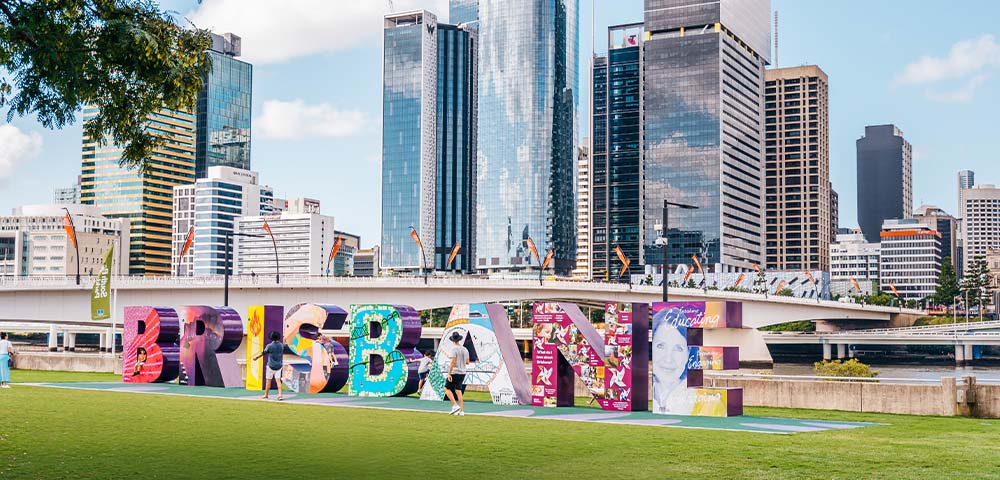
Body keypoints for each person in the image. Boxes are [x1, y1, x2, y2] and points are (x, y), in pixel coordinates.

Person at [443, 331, 470, 416]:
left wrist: (449, 373)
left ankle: (455, 405)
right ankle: (461, 411)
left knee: (446, 389)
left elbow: (453, 362)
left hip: (455, 372)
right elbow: (467, 362)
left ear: (452, 340)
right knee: (458, 391)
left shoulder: (453, 349)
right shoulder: (465, 349)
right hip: (462, 372)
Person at [252, 332, 284, 401]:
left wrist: (256, 357)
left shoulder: (269, 346)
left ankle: (266, 395)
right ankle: (280, 395)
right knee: (278, 381)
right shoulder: (281, 345)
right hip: (279, 365)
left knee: (268, 381)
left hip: (271, 366)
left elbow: (263, 353)